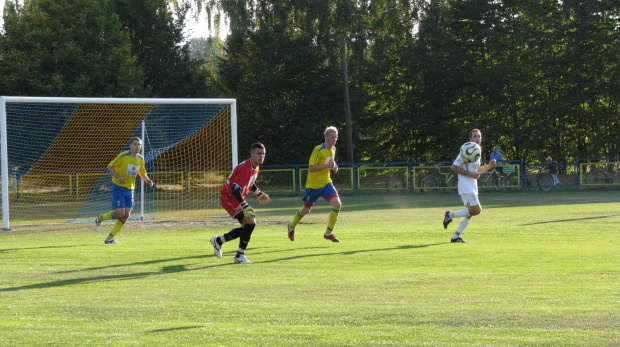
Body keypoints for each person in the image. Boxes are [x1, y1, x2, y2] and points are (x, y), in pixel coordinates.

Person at [209, 143, 270, 264]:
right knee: (251, 223)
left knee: (246, 227)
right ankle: (239, 255)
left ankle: (219, 241)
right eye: (258, 153)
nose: (261, 156)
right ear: (252, 154)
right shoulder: (245, 168)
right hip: (229, 197)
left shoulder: (254, 166)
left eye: (263, 154)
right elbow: (234, 189)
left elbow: (250, 182)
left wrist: (258, 193)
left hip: (236, 197)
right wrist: (244, 204)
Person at [93, 137, 154, 244]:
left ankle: (109, 239)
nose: (137, 146)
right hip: (118, 187)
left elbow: (142, 173)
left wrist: (148, 180)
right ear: (130, 145)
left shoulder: (140, 158)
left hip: (130, 189)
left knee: (126, 215)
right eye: (135, 144)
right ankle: (100, 218)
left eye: (139, 145)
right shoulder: (123, 156)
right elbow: (110, 167)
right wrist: (118, 177)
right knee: (120, 213)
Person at [287, 126, 342, 243]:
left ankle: (328, 233)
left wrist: (334, 167)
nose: (335, 139)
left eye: (336, 137)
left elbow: (331, 163)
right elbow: (311, 168)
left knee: (337, 205)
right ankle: (291, 227)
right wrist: (326, 166)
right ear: (326, 137)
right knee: (306, 210)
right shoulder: (318, 149)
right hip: (313, 186)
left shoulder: (333, 149)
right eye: (333, 137)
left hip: (326, 183)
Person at [442, 129, 496, 243]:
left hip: (472, 186)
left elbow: (476, 170)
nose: (478, 139)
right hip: (466, 186)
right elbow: (454, 167)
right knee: (477, 210)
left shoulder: (477, 151)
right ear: (470, 139)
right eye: (475, 136)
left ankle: (455, 236)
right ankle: (450, 215)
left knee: (470, 212)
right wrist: (469, 174)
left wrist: (488, 167)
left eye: (479, 136)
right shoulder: (466, 150)